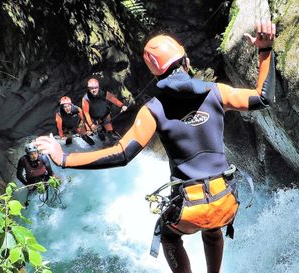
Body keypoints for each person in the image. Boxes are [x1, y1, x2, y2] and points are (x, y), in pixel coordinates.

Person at [35, 20, 277, 273]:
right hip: (224, 199)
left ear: (155, 73)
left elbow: (122, 153)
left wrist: (64, 158)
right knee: (213, 227)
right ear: (185, 61)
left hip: (190, 209)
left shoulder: (153, 110)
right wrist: (265, 49)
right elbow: (262, 97)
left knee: (169, 235)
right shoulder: (217, 92)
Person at [81, 78, 128, 144]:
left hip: (105, 114)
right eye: (92, 88)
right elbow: (86, 113)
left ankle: (113, 140)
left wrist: (122, 105)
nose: (94, 90)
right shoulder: (86, 99)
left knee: (110, 130)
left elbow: (112, 99)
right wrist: (91, 124)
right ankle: (102, 137)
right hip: (94, 118)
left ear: (98, 87)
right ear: (89, 89)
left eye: (95, 88)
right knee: (99, 131)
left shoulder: (103, 93)